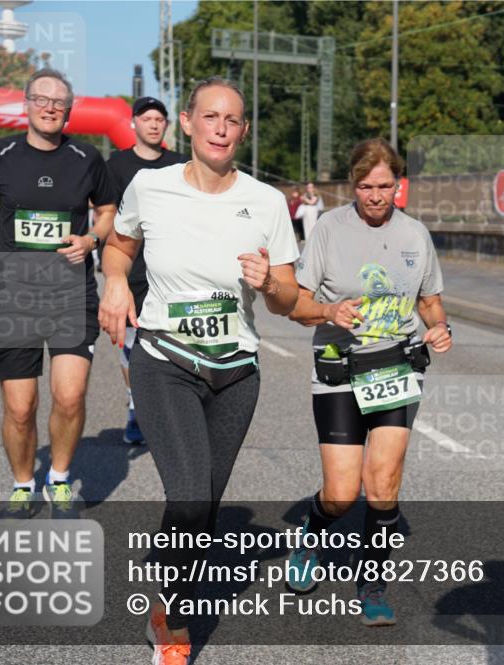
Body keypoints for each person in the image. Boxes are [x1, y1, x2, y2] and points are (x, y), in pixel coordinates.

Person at [98, 76, 299, 665]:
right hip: (166, 360)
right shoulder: (149, 186)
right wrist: (113, 281)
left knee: (205, 508)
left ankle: (169, 580)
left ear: (243, 131)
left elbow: (289, 297)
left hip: (237, 370)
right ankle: (173, 620)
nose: (220, 127)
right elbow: (120, 247)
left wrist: (272, 285)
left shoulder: (265, 201)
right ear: (186, 123)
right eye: (209, 116)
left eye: (232, 119)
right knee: (188, 496)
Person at [285, 138, 452, 626]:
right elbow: (296, 304)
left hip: (396, 369)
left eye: (384, 186)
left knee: (382, 486)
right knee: (341, 493)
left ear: (398, 184)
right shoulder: (328, 230)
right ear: (352, 185)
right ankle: (311, 537)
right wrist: (327, 310)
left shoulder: (416, 234)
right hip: (339, 366)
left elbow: (429, 301)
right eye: (365, 186)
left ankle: (373, 584)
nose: (375, 196)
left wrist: (439, 327)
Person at [0, 68, 117, 519]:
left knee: (69, 397)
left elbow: (107, 211)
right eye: (41, 99)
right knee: (20, 407)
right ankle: (23, 483)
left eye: (59, 102)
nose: (50, 107)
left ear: (69, 110)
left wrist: (92, 240)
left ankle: (61, 481)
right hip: (15, 296)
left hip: (72, 293)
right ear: (27, 105)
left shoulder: (87, 158)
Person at [105, 96, 187, 445]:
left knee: (173, 344)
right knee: (134, 348)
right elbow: (107, 214)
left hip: (173, 272)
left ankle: (174, 412)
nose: (153, 124)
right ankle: (137, 407)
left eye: (159, 119)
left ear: (166, 125)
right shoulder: (117, 165)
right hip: (133, 271)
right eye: (146, 118)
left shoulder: (180, 164)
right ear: (133, 124)